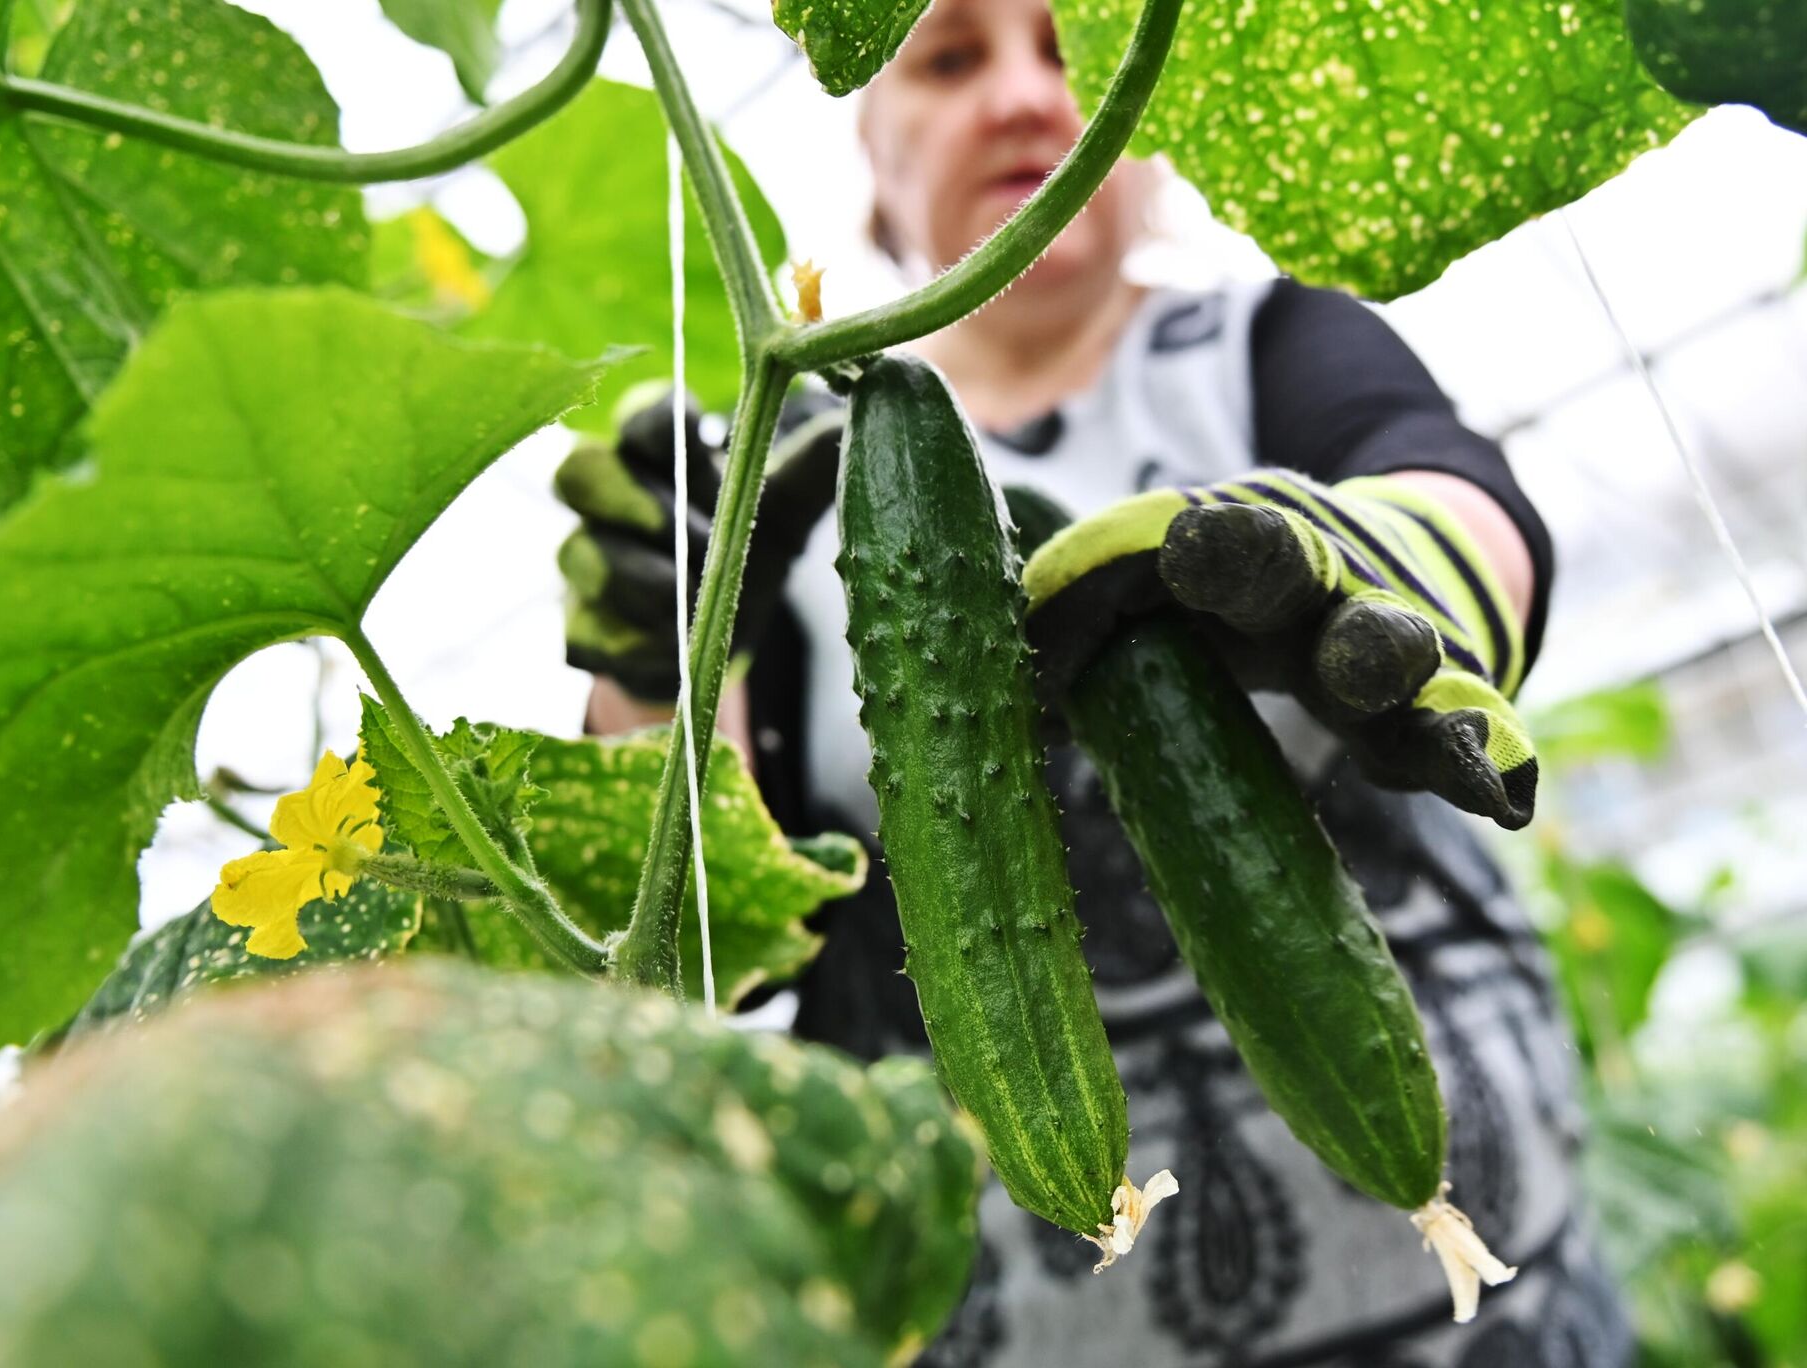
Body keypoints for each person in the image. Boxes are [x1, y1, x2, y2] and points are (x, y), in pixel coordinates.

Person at [560, 1, 1630, 1363]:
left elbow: (1455, 496)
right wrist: (650, 660)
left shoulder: (1268, 342)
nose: (1021, 96)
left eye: (1073, 48)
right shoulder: (790, 468)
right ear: (871, 143)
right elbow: (708, 897)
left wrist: (1395, 566)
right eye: (950, 57)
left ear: (1148, 137)